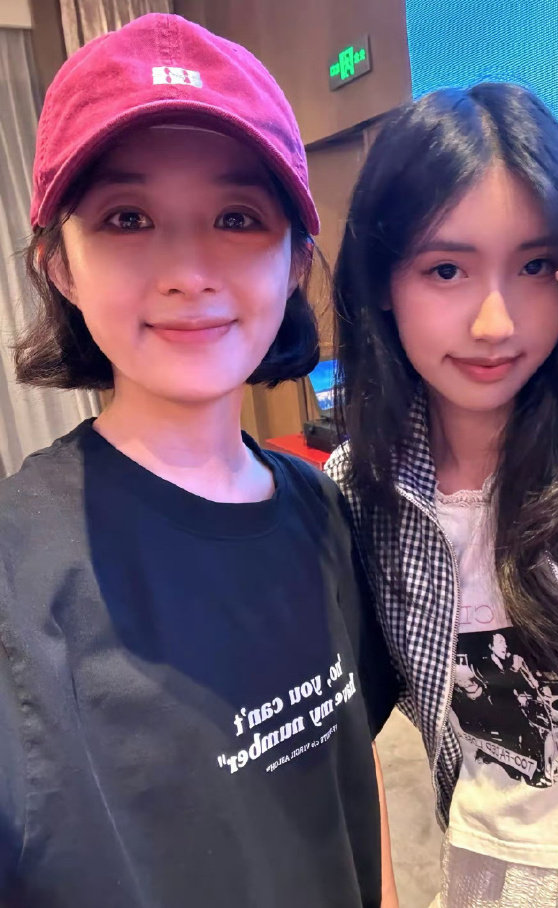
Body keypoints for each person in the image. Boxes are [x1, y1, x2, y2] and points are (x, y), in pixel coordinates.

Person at [0, 14, 399, 907]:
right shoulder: (17, 578)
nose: (187, 270)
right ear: (59, 265)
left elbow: (352, 768)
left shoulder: (321, 509)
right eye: (128, 218)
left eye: (235, 217)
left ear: (295, 261)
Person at [326, 82, 558, 907]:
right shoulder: (362, 488)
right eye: (446, 269)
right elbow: (344, 726)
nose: (495, 322)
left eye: (535, 267)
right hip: (484, 876)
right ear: (383, 280)